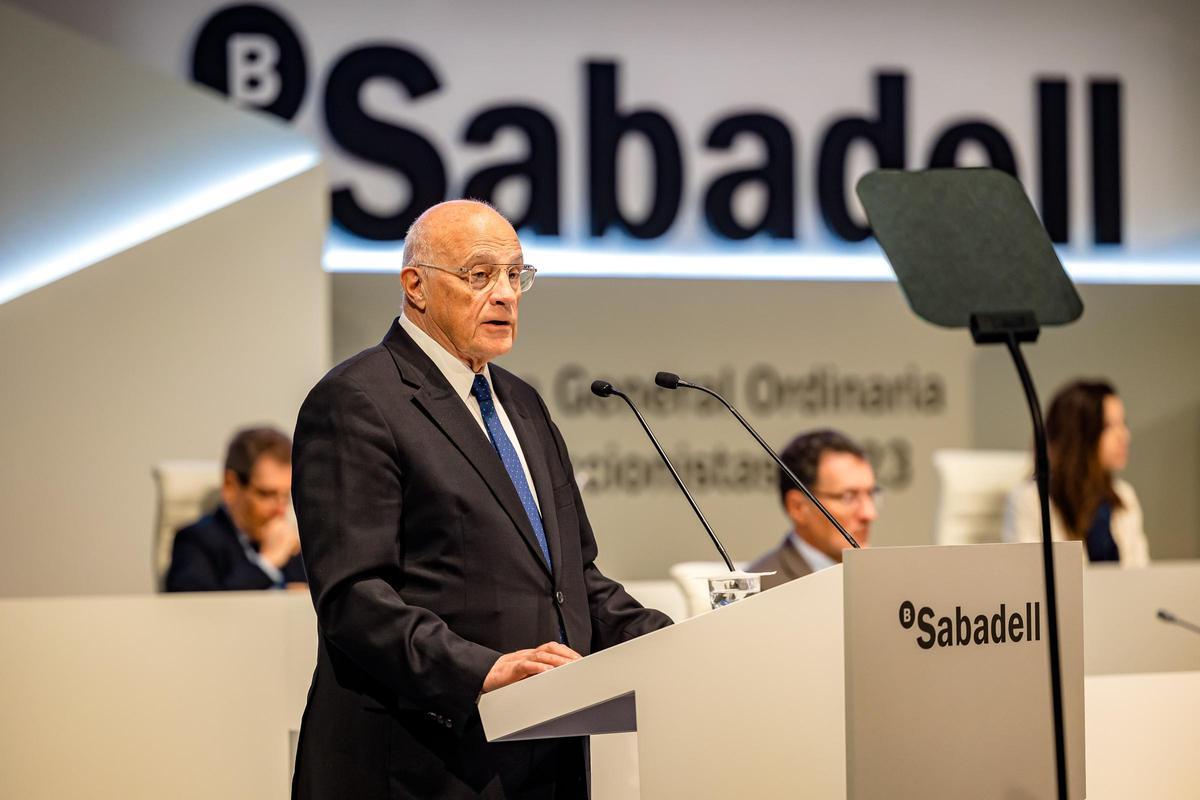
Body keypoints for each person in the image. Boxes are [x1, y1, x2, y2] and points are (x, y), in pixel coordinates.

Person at [290, 200, 671, 799]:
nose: (506, 295)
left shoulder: (522, 403)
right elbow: (355, 598)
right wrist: (482, 670)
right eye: (479, 275)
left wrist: (674, 644)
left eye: (515, 275)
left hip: (544, 756)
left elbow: (574, 580)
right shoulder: (357, 400)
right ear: (415, 285)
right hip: (421, 764)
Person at [1003, 379, 1149, 566]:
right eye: (1108, 426)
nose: (1124, 436)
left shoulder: (1124, 495)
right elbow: (1026, 575)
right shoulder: (1029, 501)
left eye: (1123, 424)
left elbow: (1141, 571)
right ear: (1078, 435)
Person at [165, 426, 305, 591]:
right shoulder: (194, 542)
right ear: (230, 485)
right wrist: (267, 563)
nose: (281, 510)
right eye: (266, 494)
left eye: (286, 496)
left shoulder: (291, 546)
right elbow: (197, 604)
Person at [747, 429, 878, 590]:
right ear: (798, 507)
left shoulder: (883, 579)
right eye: (848, 497)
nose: (869, 513)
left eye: (871, 494)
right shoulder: (761, 592)